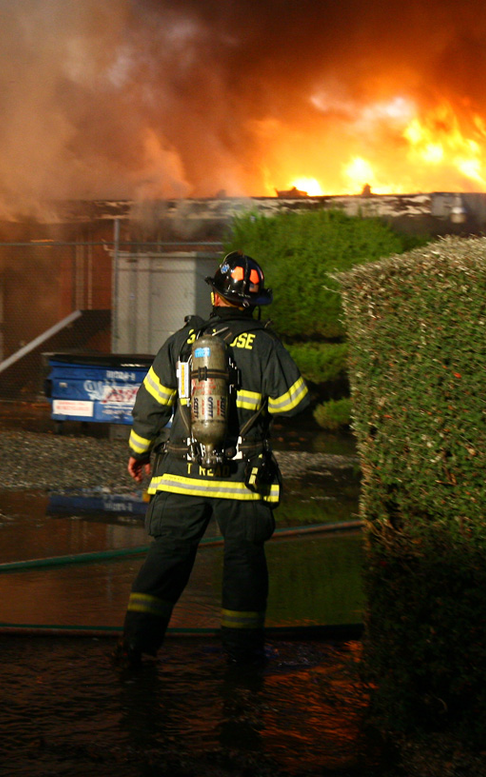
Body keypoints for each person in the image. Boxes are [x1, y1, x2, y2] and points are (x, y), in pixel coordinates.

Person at [115, 251, 311, 666]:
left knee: (168, 557)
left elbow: (149, 405)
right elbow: (294, 403)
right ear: (252, 303)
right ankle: (241, 657)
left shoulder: (183, 341)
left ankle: (136, 647)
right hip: (241, 478)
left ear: (217, 297)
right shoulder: (264, 345)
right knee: (243, 562)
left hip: (179, 475)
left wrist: (138, 453)